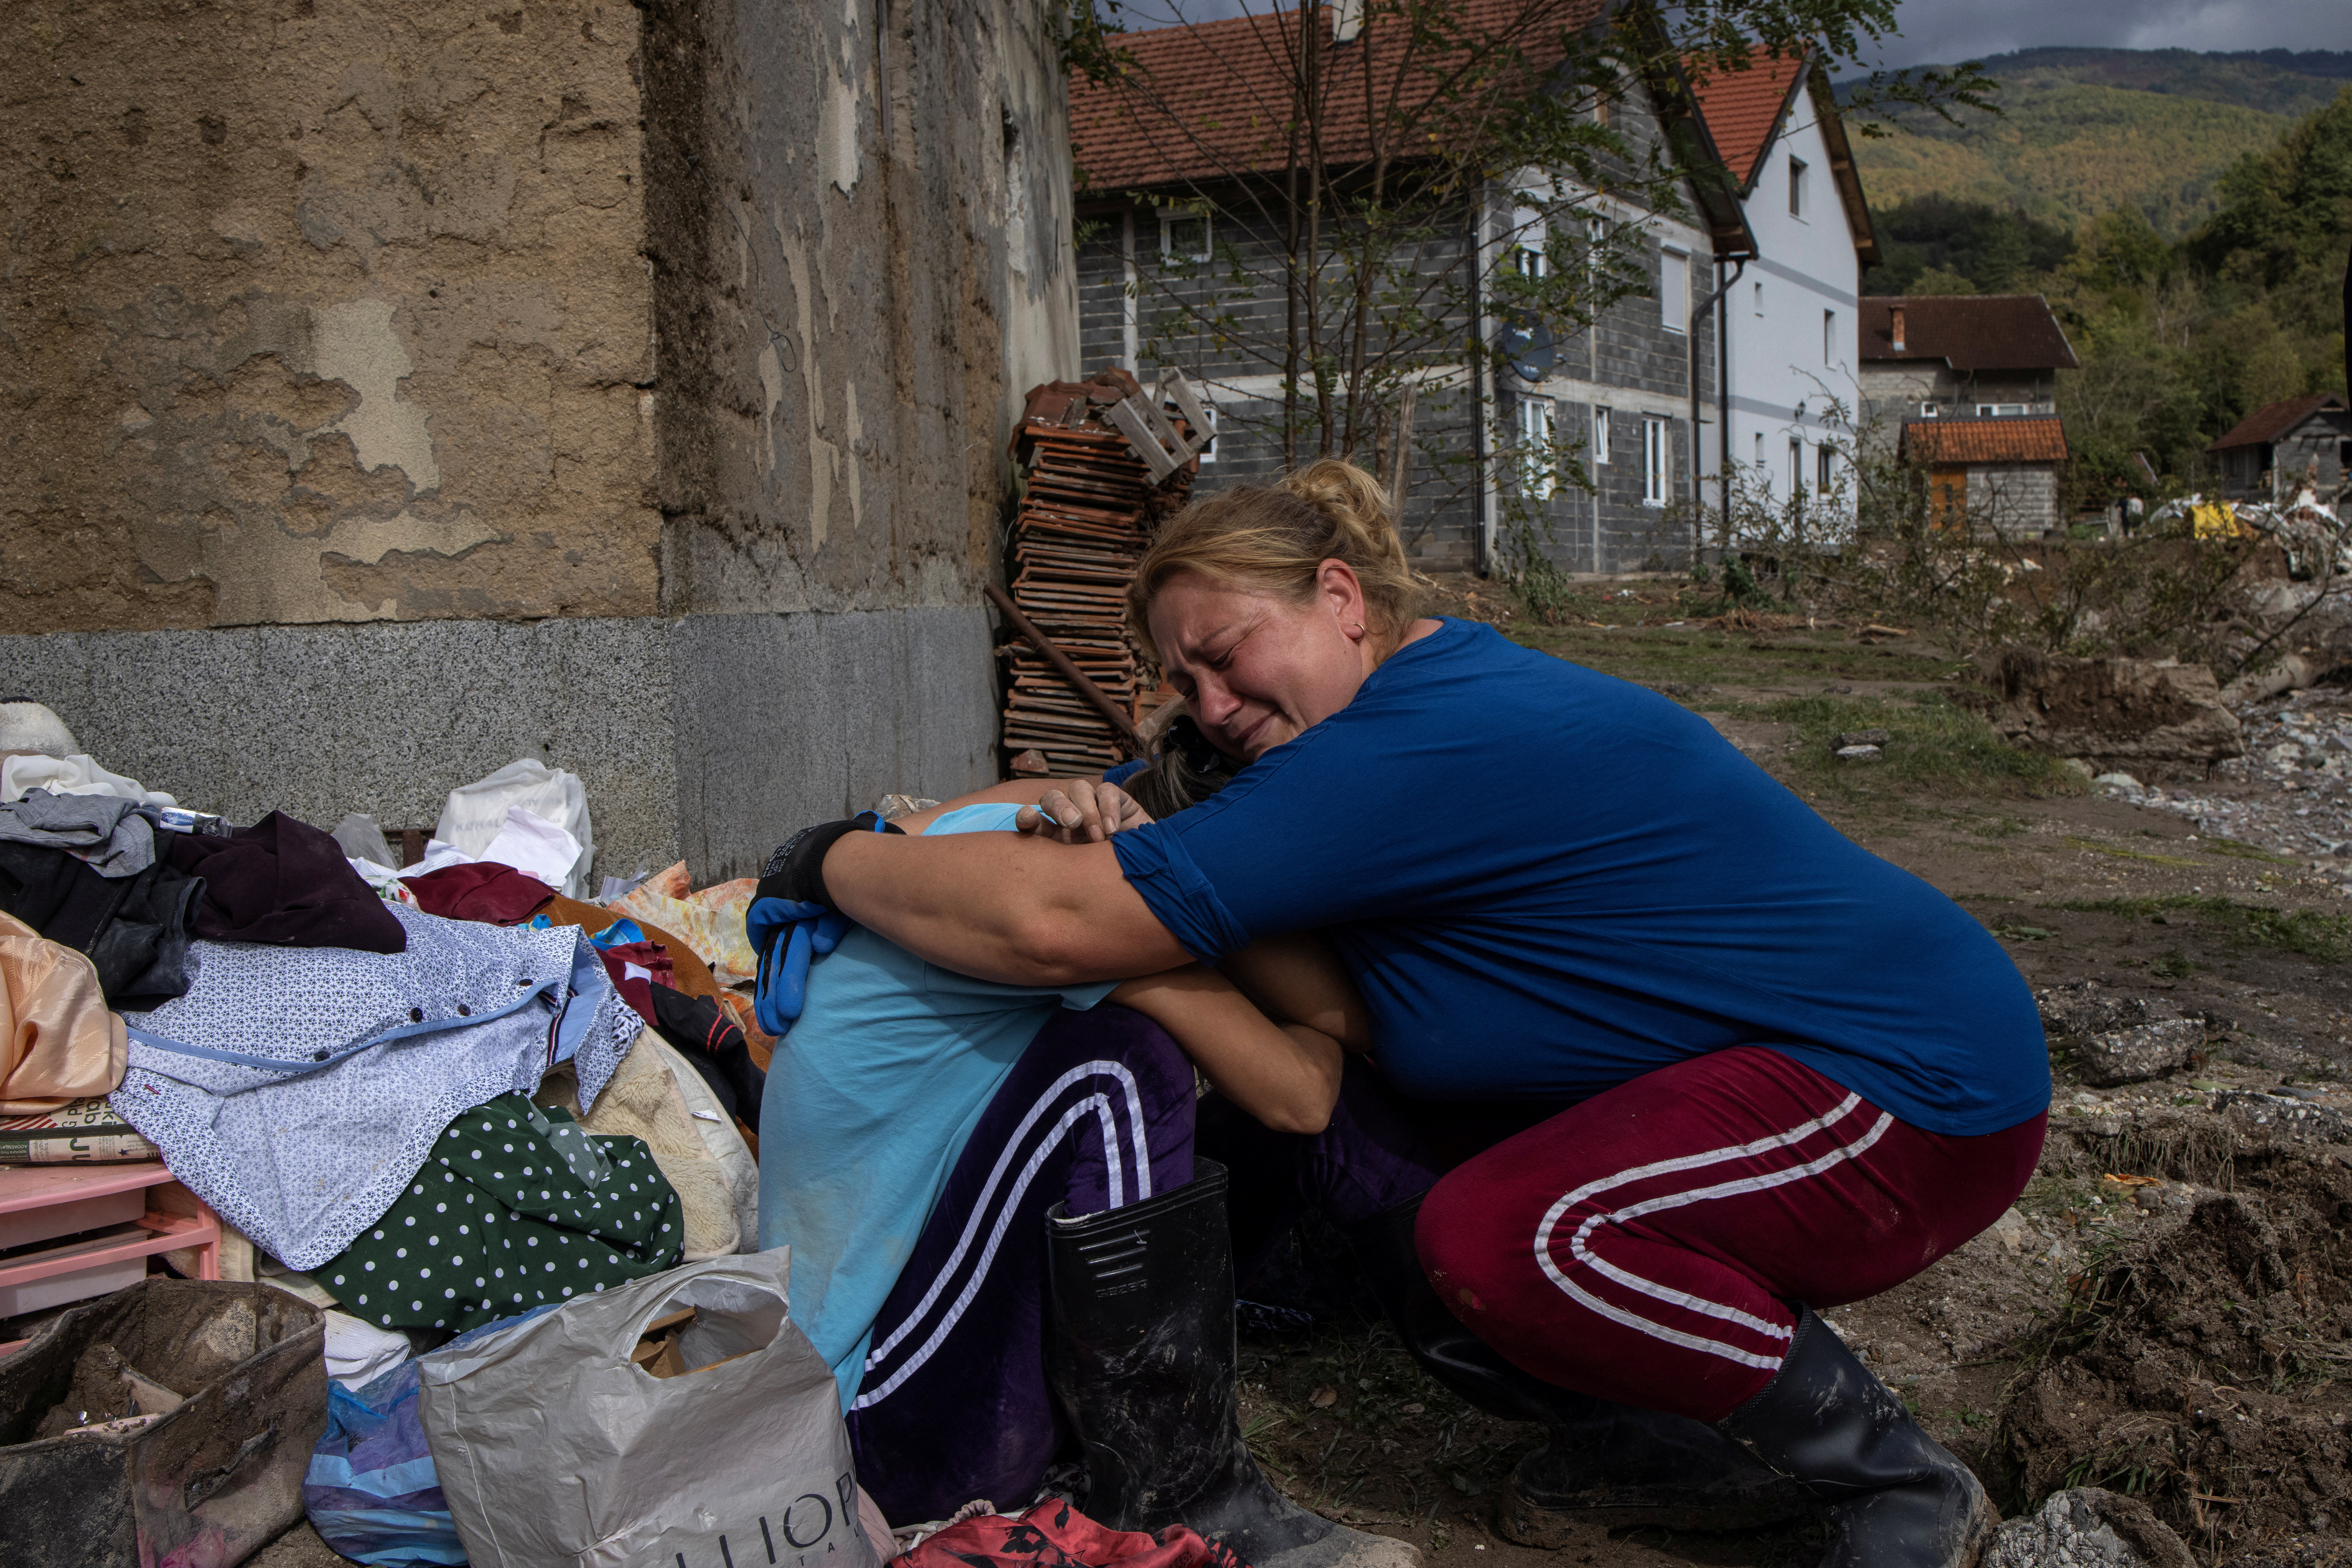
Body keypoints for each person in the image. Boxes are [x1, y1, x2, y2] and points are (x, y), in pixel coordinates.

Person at [759, 461, 2052, 1568]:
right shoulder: (1366, 722)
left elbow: (1050, 923)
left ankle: (1897, 1480)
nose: (1208, 702)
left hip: (1908, 1088)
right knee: (1384, 1173)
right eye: (1180, 678)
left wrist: (828, 859)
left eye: (1228, 653)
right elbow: (1125, 803)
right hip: (1752, 1074)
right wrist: (1052, 807)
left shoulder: (1407, 752)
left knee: (1516, 1238)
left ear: (1339, 597)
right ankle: (1660, 1442)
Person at [757, 768, 1410, 1568]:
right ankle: (1169, 1490)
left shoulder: (1018, 836)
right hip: (871, 1420)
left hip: (903, 1349)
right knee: (1121, 1067)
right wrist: (1289, 978)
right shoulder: (1068, 905)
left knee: (1179, 1063)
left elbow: (1017, 784)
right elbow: (1305, 1090)